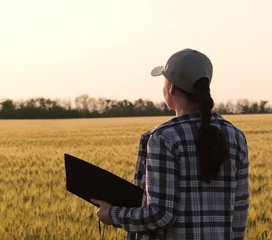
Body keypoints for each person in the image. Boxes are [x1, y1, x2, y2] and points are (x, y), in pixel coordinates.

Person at [91, 49, 249, 239]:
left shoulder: (164, 137)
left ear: (171, 88)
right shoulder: (236, 136)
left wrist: (113, 214)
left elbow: (161, 214)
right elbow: (239, 216)